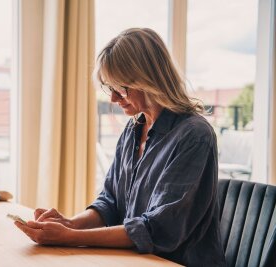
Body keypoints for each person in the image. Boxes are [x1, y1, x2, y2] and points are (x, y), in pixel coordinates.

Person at [15, 28, 227, 267]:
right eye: (109, 88)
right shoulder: (133, 129)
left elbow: (158, 229)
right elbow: (110, 202)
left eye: (121, 88)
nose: (114, 99)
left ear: (149, 79)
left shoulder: (194, 135)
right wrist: (70, 224)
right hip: (134, 260)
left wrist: (71, 237)